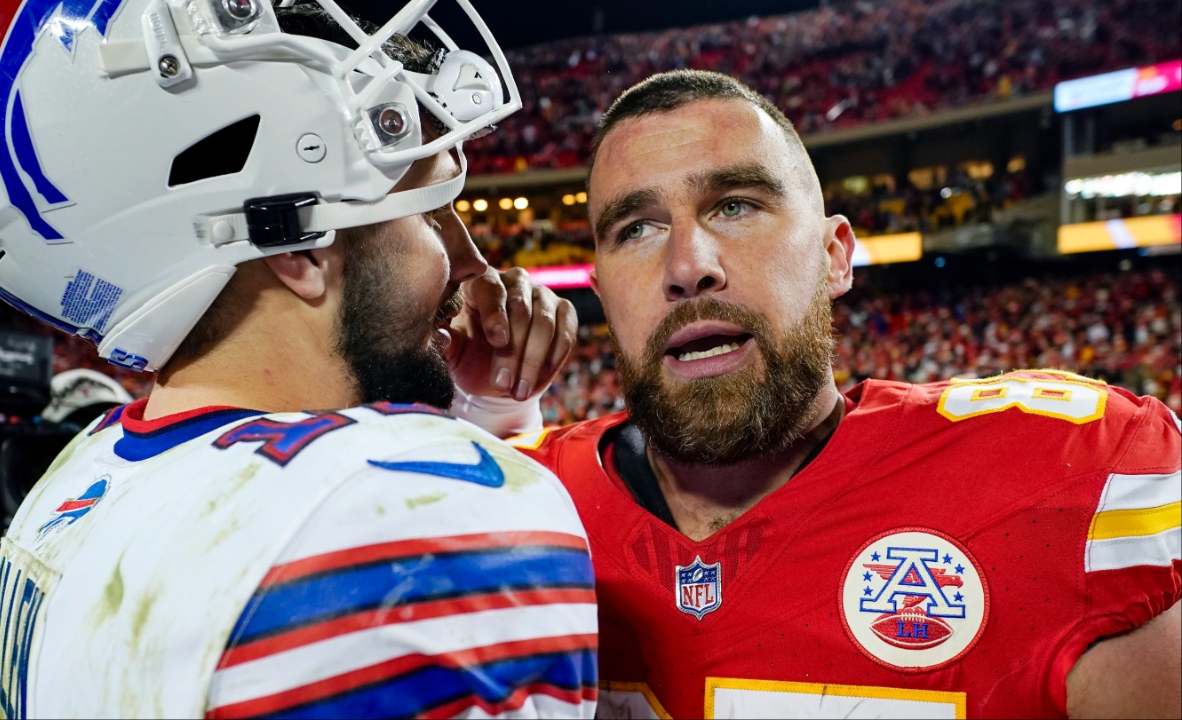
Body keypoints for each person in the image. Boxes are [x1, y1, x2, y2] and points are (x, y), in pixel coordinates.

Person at [0, 1, 594, 717]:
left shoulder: (78, 476)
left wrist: (487, 406)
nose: (472, 266)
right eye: (429, 211)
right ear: (297, 248)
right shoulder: (398, 517)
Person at [506, 71, 1181, 718]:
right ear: (602, 297)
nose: (688, 267)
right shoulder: (521, 506)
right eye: (637, 229)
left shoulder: (1069, 475)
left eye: (736, 205)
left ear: (835, 256)